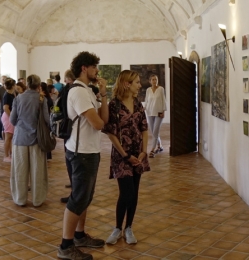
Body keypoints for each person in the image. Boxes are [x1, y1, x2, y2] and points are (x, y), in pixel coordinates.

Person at [57, 51, 108, 260]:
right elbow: (98, 124)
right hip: (81, 153)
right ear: (84, 68)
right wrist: (100, 118)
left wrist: (104, 95)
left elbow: (103, 119)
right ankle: (65, 246)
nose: (97, 70)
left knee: (85, 197)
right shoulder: (78, 92)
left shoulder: (88, 90)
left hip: (89, 150)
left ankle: (79, 236)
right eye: (94, 66)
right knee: (78, 198)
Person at [102, 70, 150, 245]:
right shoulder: (114, 105)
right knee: (126, 192)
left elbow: (144, 128)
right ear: (126, 84)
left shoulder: (137, 103)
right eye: (137, 82)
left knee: (134, 192)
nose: (140, 85)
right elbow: (111, 133)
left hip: (138, 153)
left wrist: (144, 151)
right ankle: (117, 228)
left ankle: (129, 227)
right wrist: (125, 155)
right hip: (122, 155)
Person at [10, 74, 49, 207]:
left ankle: (20, 199)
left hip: (20, 138)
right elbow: (46, 119)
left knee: (19, 170)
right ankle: (38, 199)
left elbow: (12, 120)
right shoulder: (41, 99)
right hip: (37, 139)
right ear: (39, 86)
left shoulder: (18, 98)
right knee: (38, 171)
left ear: (27, 84)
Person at [60, 69, 76, 203]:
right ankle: (74, 186)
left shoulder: (67, 90)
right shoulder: (76, 90)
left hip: (68, 127)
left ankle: (74, 190)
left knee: (70, 158)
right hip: (73, 128)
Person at [144, 74, 166, 158]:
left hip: (158, 112)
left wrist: (163, 111)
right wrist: (145, 107)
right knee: (153, 131)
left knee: (155, 131)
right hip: (149, 112)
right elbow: (146, 100)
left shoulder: (161, 89)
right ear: (150, 81)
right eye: (153, 79)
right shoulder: (148, 90)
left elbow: (163, 100)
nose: (154, 81)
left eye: (156, 79)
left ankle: (152, 149)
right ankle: (160, 146)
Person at [1, 78, 16, 162]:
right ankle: (6, 155)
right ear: (13, 85)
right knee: (8, 136)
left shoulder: (11, 94)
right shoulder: (7, 95)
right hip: (8, 116)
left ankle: (11, 154)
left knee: (10, 136)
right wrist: (11, 116)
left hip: (10, 115)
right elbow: (5, 108)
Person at [40, 82, 54, 160]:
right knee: (46, 137)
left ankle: (46, 154)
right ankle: (48, 155)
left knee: (45, 137)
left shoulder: (44, 98)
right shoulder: (48, 98)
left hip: (46, 119)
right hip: (48, 118)